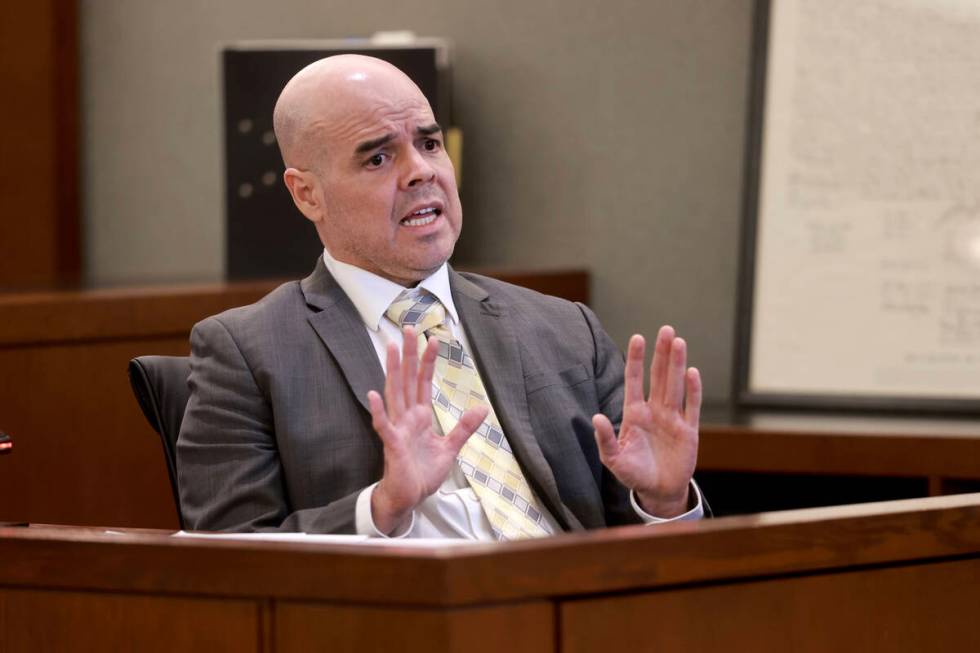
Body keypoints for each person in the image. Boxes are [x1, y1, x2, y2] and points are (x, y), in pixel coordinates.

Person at [177, 54, 705, 539]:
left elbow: (644, 547)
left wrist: (661, 500)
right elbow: (229, 556)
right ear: (307, 193)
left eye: (429, 144)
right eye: (379, 158)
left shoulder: (566, 329)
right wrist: (382, 507)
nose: (422, 171)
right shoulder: (246, 353)